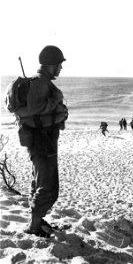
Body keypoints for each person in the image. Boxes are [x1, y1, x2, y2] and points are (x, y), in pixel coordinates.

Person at [15, 45, 68, 237]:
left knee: (39, 182)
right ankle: (34, 226)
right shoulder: (40, 82)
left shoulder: (43, 81)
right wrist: (57, 99)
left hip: (43, 139)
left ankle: (36, 221)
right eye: (59, 64)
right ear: (51, 64)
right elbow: (36, 108)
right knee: (48, 186)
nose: (61, 68)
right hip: (42, 140)